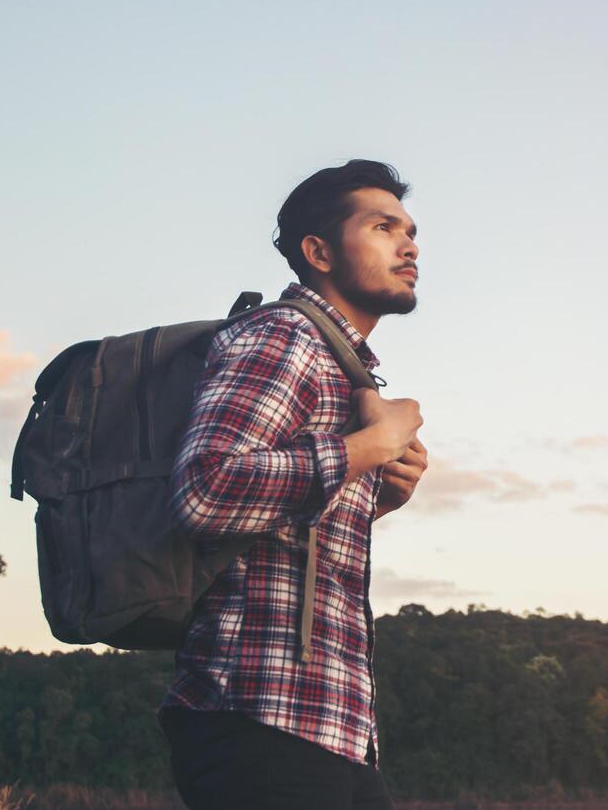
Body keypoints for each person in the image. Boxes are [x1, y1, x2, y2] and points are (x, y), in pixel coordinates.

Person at [157, 159, 427, 809]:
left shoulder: (339, 364)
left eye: (411, 230)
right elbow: (206, 487)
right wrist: (369, 446)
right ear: (319, 252)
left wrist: (376, 495)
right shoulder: (285, 335)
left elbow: (276, 536)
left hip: (328, 724)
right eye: (383, 226)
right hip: (259, 717)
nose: (409, 243)